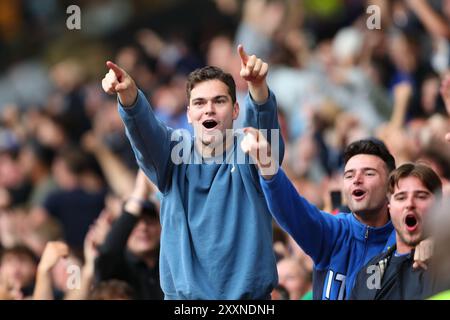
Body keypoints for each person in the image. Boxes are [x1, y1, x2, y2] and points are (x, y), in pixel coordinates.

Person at [101, 45, 284, 299]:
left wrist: (258, 90)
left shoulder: (247, 151)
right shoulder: (172, 156)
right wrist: (130, 98)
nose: (208, 109)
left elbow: (266, 145)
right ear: (189, 114)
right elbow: (146, 134)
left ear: (235, 110)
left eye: (219, 101)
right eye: (199, 102)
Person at [241, 128, 432, 299]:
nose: (357, 179)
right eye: (349, 175)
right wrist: (268, 167)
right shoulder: (333, 232)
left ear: (390, 187)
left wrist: (433, 244)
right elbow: (292, 209)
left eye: (369, 173)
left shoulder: (406, 240)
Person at [350, 163, 442, 299]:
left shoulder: (444, 262)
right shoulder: (372, 270)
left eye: (421, 196)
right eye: (401, 197)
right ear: (389, 207)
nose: (410, 204)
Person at [95, 170, 163, 300]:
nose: (143, 228)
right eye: (134, 223)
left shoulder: (173, 260)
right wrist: (139, 193)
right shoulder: (117, 266)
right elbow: (108, 253)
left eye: (149, 221)